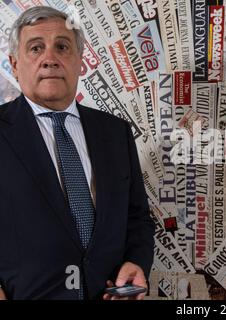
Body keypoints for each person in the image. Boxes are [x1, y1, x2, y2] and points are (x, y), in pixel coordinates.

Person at [0, 6, 155, 300]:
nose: (50, 59)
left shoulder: (116, 132)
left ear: (79, 61)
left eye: (62, 46)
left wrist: (137, 263)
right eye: (35, 48)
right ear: (15, 64)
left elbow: (137, 218)